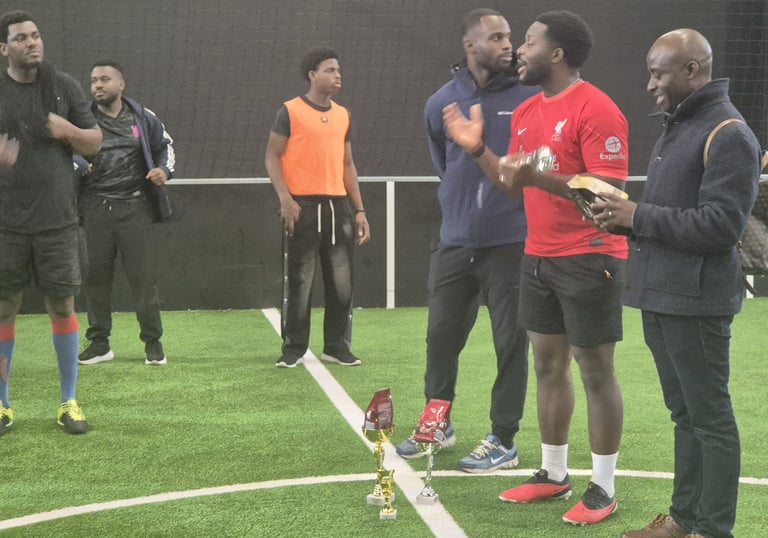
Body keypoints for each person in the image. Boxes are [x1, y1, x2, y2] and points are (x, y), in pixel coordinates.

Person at [443, 10, 628, 525]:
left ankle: (604, 488)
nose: (519, 51)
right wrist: (478, 150)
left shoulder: (598, 109)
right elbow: (511, 182)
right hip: (539, 255)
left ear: (558, 54)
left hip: (590, 257)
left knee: (595, 371)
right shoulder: (526, 111)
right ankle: (553, 473)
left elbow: (607, 193)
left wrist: (536, 175)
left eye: (529, 42)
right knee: (547, 366)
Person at [592, 30, 762, 538]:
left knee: (710, 419)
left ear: (692, 70)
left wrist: (637, 214)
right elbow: (674, 216)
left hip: (696, 301)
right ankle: (685, 520)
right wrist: (622, 219)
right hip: (662, 294)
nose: (650, 84)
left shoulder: (729, 133)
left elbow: (720, 227)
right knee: (685, 416)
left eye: (658, 73)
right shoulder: (682, 126)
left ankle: (713, 529)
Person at [394, 8, 538, 474]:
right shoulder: (440, 102)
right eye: (496, 37)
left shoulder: (530, 97)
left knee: (510, 344)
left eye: (509, 36)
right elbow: (446, 165)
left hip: (512, 242)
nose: (507, 44)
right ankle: (438, 421)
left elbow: (533, 168)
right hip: (455, 242)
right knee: (440, 338)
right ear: (470, 45)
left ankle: (503, 439)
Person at [0, 10, 102, 435]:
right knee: (4, 309)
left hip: (58, 222)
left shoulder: (64, 87)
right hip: (6, 226)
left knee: (62, 306)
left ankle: (68, 401)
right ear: (4, 48)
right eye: (21, 38)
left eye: (36, 35)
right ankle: (2, 404)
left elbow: (94, 143)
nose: (32, 43)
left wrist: (67, 131)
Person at [264, 46, 370, 369]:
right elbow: (271, 156)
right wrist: (285, 199)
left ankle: (336, 347)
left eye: (338, 70)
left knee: (342, 283)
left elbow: (347, 163)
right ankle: (293, 348)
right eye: (330, 70)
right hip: (302, 207)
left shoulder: (343, 115)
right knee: (300, 281)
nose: (337, 75)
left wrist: (360, 210)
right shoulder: (290, 111)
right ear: (313, 75)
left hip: (338, 207)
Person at [76, 59, 174, 366]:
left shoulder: (143, 117)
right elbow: (63, 151)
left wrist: (163, 170)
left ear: (121, 85)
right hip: (95, 208)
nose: (98, 85)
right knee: (95, 278)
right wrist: (79, 163)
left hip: (134, 208)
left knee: (142, 279)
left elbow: (165, 147)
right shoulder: (80, 119)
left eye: (105, 79)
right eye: (94, 80)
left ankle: (153, 343)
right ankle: (99, 344)